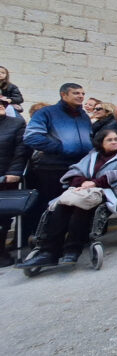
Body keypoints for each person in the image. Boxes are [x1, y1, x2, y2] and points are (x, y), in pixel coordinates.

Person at [16, 129, 117, 269]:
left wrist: (95, 182)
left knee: (82, 207)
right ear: (101, 143)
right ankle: (48, 252)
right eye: (110, 140)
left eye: (116, 139)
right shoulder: (93, 155)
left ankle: (72, 250)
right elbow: (75, 170)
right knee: (62, 206)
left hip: (108, 191)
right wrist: (83, 182)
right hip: (85, 191)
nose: (114, 142)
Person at [23, 83, 93, 241]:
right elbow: (31, 137)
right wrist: (61, 147)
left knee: (73, 205)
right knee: (52, 206)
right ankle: (46, 242)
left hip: (78, 168)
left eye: (82, 93)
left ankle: (68, 241)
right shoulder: (46, 113)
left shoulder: (83, 116)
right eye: (76, 93)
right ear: (64, 95)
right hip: (52, 168)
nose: (81, 96)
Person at [0, 98, 30, 267]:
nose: (1, 105)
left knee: (2, 216)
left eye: (3, 103)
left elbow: (21, 151)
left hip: (5, 175)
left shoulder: (16, 124)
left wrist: (14, 172)